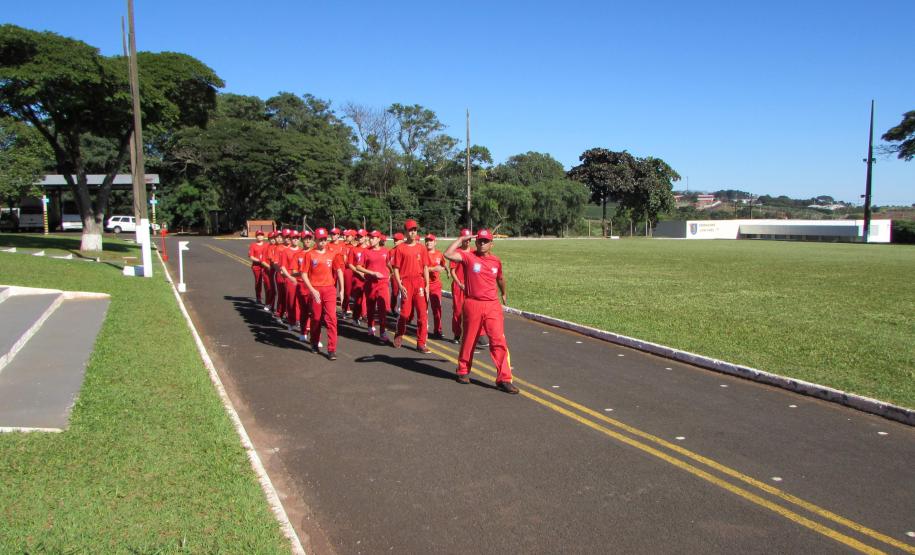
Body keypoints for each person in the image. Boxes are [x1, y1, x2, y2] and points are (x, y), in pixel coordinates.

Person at [443, 229, 518, 394]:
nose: (482, 244)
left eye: (486, 241)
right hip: (473, 304)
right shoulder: (468, 256)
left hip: (492, 305)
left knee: (498, 341)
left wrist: (504, 292)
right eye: (480, 241)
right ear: (476, 242)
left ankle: (504, 379)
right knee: (469, 339)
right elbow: (447, 254)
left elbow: (500, 278)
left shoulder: (496, 261)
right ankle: (463, 371)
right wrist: (461, 239)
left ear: (492, 244)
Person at [301, 228, 345, 360]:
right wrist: (312, 289)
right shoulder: (309, 254)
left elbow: (339, 271)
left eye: (325, 239)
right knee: (316, 318)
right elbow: (304, 274)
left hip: (329, 289)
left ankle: (331, 349)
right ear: (315, 239)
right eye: (320, 239)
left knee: (332, 319)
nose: (323, 241)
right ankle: (314, 342)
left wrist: (341, 289)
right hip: (316, 289)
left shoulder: (333, 254)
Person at [391, 219, 431, 353]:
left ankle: (421, 343)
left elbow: (425, 267)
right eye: (410, 230)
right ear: (406, 232)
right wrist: (400, 284)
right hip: (406, 282)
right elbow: (396, 268)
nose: (413, 232)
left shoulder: (422, 248)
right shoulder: (400, 248)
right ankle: (399, 333)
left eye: (415, 230)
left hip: (419, 282)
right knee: (405, 314)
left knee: (422, 314)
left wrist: (427, 285)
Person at [356, 230, 393, 343]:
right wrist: (372, 273)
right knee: (371, 307)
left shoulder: (385, 251)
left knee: (382, 308)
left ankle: (382, 332)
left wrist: (391, 273)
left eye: (373, 238)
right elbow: (358, 267)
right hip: (370, 283)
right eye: (370, 238)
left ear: (378, 239)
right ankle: (370, 326)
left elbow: (389, 263)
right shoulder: (366, 251)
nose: (371, 240)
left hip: (383, 283)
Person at [448, 228, 472, 342]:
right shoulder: (456, 253)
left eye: (469, 239)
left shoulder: (473, 252)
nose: (467, 241)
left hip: (470, 285)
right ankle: (457, 334)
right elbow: (452, 271)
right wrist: (459, 283)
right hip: (458, 285)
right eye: (465, 239)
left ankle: (472, 335)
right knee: (458, 311)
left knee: (471, 311)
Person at [424, 234, 446, 339]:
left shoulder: (439, 254)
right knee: (423, 309)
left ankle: (438, 330)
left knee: (437, 309)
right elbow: (419, 269)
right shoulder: (422, 254)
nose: (428, 242)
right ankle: (423, 329)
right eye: (427, 240)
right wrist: (433, 269)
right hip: (424, 284)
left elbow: (443, 265)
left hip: (436, 285)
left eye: (431, 240)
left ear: (435, 242)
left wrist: (445, 269)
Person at [248, 230, 270, 306]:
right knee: (258, 282)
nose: (260, 236)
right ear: (256, 237)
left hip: (265, 266)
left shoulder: (267, 245)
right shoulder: (253, 245)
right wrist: (260, 260)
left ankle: (268, 299)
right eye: (258, 235)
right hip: (256, 266)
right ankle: (258, 297)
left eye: (261, 235)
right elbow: (251, 256)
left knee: (267, 282)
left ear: (263, 236)